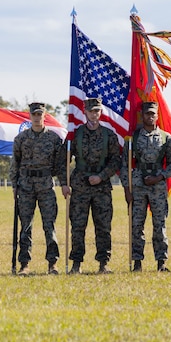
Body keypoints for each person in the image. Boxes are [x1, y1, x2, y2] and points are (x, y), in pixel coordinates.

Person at [63, 97, 121, 274]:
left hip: (101, 187)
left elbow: (116, 161)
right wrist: (64, 183)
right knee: (78, 226)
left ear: (100, 112)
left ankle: (103, 264)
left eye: (97, 111)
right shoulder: (75, 135)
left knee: (103, 226)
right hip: (80, 186)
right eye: (91, 111)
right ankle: (76, 264)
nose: (94, 114)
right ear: (85, 112)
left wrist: (101, 176)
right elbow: (63, 160)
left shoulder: (108, 135)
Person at [9, 102, 67, 275]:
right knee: (25, 226)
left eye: (39, 114)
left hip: (46, 186)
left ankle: (52, 263)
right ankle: (24, 264)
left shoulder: (54, 139)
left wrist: (64, 183)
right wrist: (14, 186)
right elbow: (15, 164)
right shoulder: (21, 139)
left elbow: (61, 165)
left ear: (44, 116)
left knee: (49, 226)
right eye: (34, 114)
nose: (36, 117)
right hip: (25, 186)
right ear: (30, 116)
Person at [120, 101, 171, 272]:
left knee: (159, 224)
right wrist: (126, 189)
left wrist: (160, 177)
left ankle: (162, 262)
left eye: (153, 114)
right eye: (147, 114)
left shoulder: (167, 138)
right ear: (142, 116)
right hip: (138, 186)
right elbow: (124, 165)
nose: (150, 117)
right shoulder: (132, 139)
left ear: (157, 116)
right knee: (137, 225)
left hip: (158, 186)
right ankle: (137, 262)